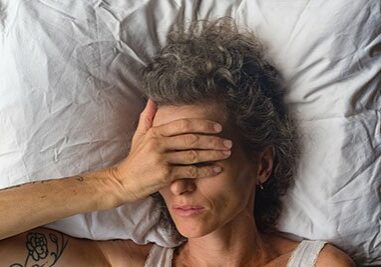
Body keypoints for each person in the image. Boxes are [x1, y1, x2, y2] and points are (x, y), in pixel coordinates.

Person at [0, 18, 355, 267]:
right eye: (168, 162)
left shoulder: (319, 264)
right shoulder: (120, 262)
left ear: (261, 165)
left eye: (198, 160)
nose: (181, 186)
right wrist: (115, 183)